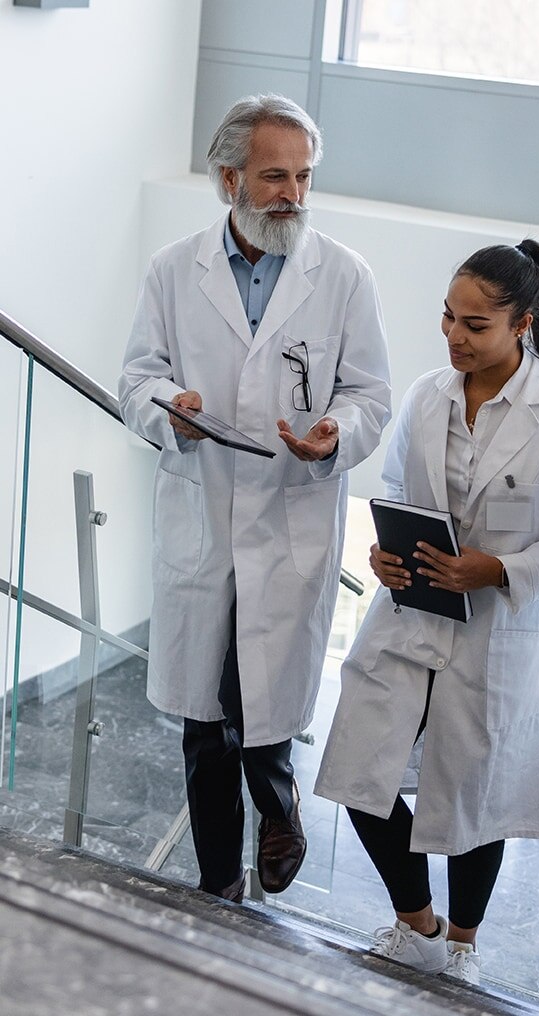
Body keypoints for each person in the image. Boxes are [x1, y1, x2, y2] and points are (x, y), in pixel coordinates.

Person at [119, 94, 391, 904]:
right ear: (229, 179)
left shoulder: (343, 275)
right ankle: (217, 885)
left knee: (261, 697)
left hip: (289, 511)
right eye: (275, 177)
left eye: (304, 177)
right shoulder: (174, 270)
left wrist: (335, 435)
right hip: (204, 512)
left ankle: (279, 808)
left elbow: (370, 395)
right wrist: (171, 411)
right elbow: (137, 378)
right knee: (206, 718)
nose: (293, 196)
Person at [314, 240, 539, 984]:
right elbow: (397, 491)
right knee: (358, 772)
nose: (454, 337)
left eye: (475, 325)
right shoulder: (427, 395)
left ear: (523, 324)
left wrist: (498, 569)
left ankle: (464, 947)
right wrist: (384, 554)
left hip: (498, 632)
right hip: (410, 614)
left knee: (477, 801)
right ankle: (419, 927)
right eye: (448, 317)